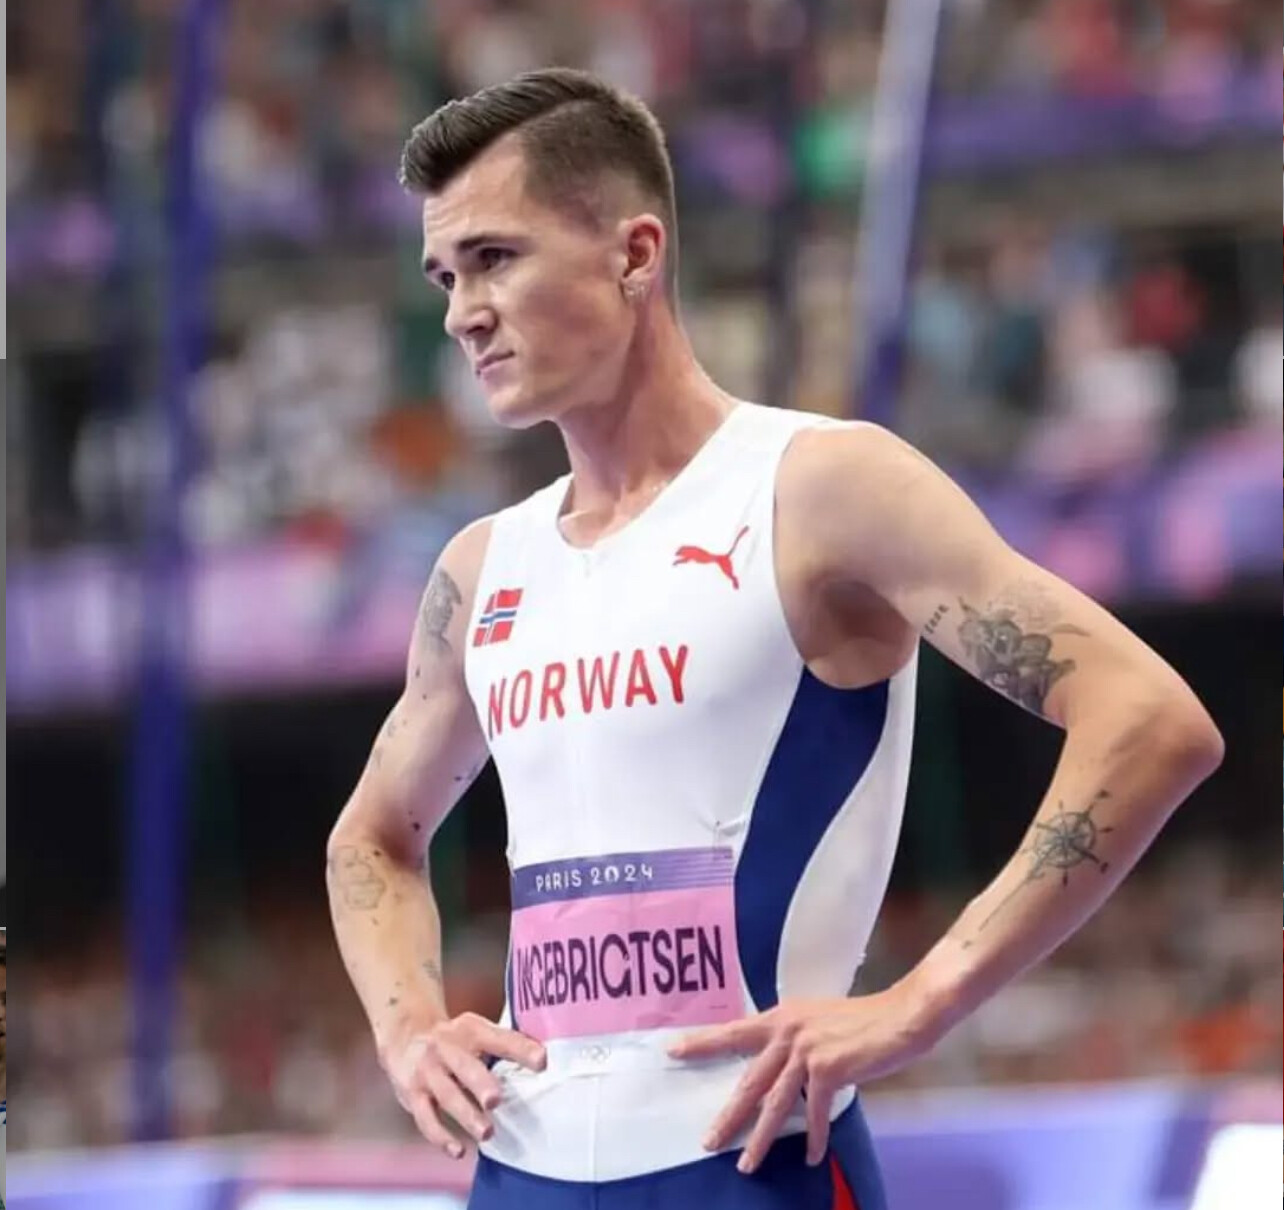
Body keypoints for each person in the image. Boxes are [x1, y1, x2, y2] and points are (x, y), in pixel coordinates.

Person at [325, 68, 1224, 1210]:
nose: (462, 311)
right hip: (523, 1172)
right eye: (446, 276)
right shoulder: (481, 570)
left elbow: (1149, 720)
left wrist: (924, 999)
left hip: (752, 1165)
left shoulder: (820, 491)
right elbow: (369, 842)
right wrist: (408, 1030)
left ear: (635, 254)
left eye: (495, 257)